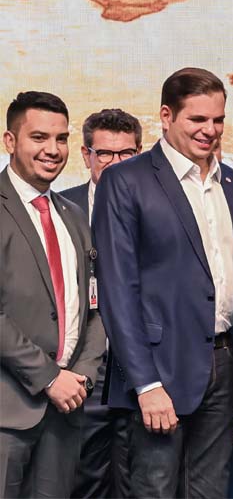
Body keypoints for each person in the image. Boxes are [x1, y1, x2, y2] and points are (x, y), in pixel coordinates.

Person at [93, 68, 233, 497]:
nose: (211, 130)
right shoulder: (125, 181)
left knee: (211, 491)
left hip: (225, 367)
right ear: (166, 116)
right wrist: (146, 384)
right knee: (154, 490)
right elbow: (117, 293)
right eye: (198, 119)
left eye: (218, 120)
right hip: (159, 372)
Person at [0, 91, 106, 497]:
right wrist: (48, 377)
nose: (53, 149)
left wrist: (81, 377)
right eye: (39, 137)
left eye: (61, 138)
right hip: (8, 415)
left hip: (66, 412)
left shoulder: (74, 215)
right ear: (10, 141)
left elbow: (94, 308)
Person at [62, 108, 142, 499]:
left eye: (126, 153)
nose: (115, 163)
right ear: (86, 155)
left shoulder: (158, 208)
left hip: (143, 371)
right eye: (105, 153)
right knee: (85, 481)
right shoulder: (63, 209)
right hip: (83, 372)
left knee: (140, 482)